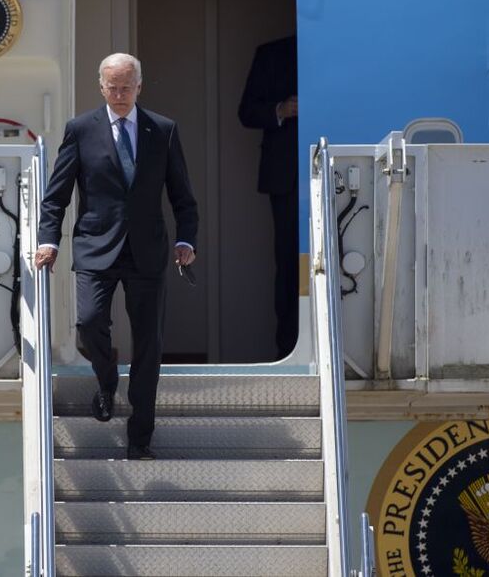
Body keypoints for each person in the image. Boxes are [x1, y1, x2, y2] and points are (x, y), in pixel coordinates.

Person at [35, 53, 198, 461]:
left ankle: (140, 437)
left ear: (139, 86)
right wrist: (49, 240)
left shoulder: (162, 130)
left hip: (147, 250)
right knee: (89, 322)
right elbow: (56, 196)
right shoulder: (80, 130)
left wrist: (187, 241)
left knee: (149, 345)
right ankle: (107, 379)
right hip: (95, 246)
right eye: (113, 87)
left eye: (127, 86)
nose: (120, 94)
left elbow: (183, 197)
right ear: (101, 86)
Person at [238, 35, 298, 358]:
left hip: (336, 175)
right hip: (285, 178)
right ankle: (287, 348)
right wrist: (281, 110)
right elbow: (246, 112)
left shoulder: (340, 45)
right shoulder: (272, 53)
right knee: (288, 263)